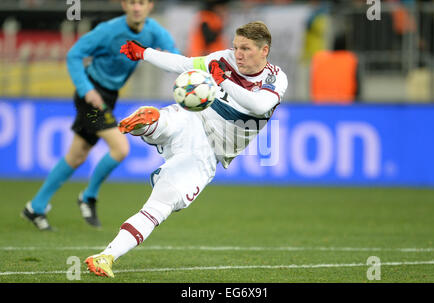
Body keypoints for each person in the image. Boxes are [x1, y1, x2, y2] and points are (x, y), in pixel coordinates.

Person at [84, 21, 288, 278]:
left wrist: (222, 81)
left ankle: (106, 256)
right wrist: (143, 52)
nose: (237, 54)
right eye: (236, 47)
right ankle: (150, 125)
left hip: (207, 149)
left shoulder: (275, 77)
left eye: (246, 49)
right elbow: (183, 64)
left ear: (264, 50)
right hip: (196, 123)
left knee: (160, 203)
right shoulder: (223, 60)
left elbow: (259, 106)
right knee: (172, 134)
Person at [21, 0, 180, 231]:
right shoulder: (108, 31)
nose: (137, 7)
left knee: (77, 155)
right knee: (121, 148)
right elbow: (74, 54)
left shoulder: (154, 31)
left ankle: (35, 207)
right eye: (132, 2)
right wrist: (87, 90)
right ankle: (88, 196)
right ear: (125, 5)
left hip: (110, 96)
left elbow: (173, 58)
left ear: (150, 6)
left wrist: (168, 58)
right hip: (92, 95)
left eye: (142, 3)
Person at [310, 34, 360, 104]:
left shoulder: (319, 59)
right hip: (345, 105)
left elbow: (312, 84)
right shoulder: (351, 60)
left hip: (320, 105)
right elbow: (357, 88)